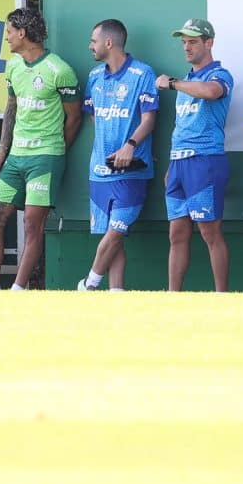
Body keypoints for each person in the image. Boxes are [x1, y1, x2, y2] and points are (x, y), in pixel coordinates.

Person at [0, 7, 81, 291]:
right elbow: (11, 109)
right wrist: (2, 153)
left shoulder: (59, 70)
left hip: (45, 159)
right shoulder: (13, 66)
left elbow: (74, 118)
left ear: (22, 33)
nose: (7, 38)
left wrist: (55, 149)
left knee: (32, 227)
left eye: (9, 32)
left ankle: (18, 290)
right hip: (15, 159)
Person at [77, 19, 158, 291]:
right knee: (114, 238)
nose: (90, 45)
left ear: (108, 42)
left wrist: (130, 145)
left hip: (132, 171)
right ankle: (116, 292)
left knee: (116, 231)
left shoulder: (143, 73)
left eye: (93, 40)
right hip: (99, 172)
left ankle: (90, 284)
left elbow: (149, 119)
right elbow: (95, 118)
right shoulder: (94, 77)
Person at [155, 19, 234, 292]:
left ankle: (221, 296)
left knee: (209, 232)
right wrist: (172, 163)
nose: (187, 47)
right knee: (176, 233)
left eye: (193, 41)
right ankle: (173, 295)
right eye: (184, 42)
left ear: (208, 43)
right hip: (179, 164)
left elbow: (211, 92)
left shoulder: (220, 74)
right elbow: (182, 126)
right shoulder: (186, 80)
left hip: (206, 160)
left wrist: (173, 83)